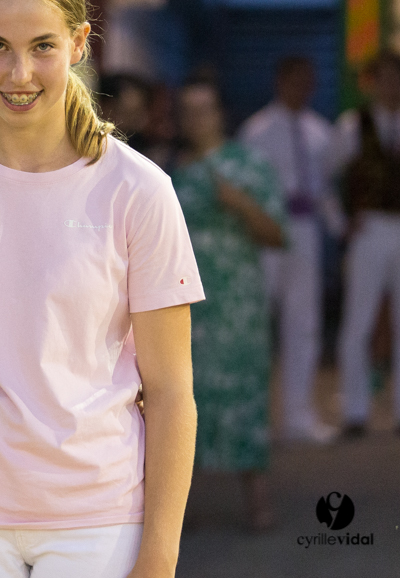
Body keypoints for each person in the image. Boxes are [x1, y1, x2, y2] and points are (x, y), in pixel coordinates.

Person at [0, 0, 202, 578]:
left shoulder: (138, 191)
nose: (19, 73)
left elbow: (172, 393)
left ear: (80, 42)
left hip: (98, 519)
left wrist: (161, 554)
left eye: (43, 46)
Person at [172, 79, 285, 531]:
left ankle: (258, 502)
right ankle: (179, 507)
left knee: (243, 392)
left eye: (205, 110)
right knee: (182, 396)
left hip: (236, 302)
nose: (196, 119)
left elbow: (278, 235)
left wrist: (239, 204)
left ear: (221, 114)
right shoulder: (172, 169)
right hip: (183, 300)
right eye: (189, 110)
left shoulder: (247, 165)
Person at [238, 56, 339, 444]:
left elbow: (325, 187)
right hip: (268, 229)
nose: (301, 88)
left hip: (305, 229)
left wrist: (339, 229)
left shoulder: (320, 133)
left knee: (304, 322)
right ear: (280, 82)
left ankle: (298, 415)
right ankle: (253, 418)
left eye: (307, 82)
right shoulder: (258, 130)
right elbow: (245, 186)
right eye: (294, 81)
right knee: (259, 322)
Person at [329, 51, 400, 438]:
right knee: (359, 319)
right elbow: (324, 175)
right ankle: (356, 409)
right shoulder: (353, 125)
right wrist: (340, 221)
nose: (392, 85)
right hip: (370, 226)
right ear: (374, 82)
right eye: (386, 77)